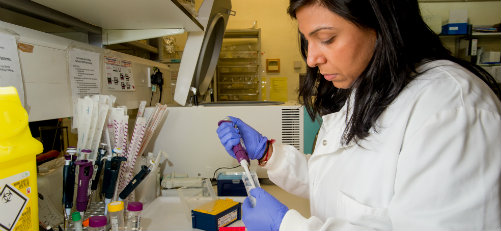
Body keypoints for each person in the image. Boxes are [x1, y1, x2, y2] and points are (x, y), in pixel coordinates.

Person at [217, 0, 501, 230]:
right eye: (307, 41)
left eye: (326, 38)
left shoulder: (452, 108)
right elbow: (337, 184)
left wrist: (287, 226)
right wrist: (269, 154)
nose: (311, 59)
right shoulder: (372, 85)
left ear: (382, 25)